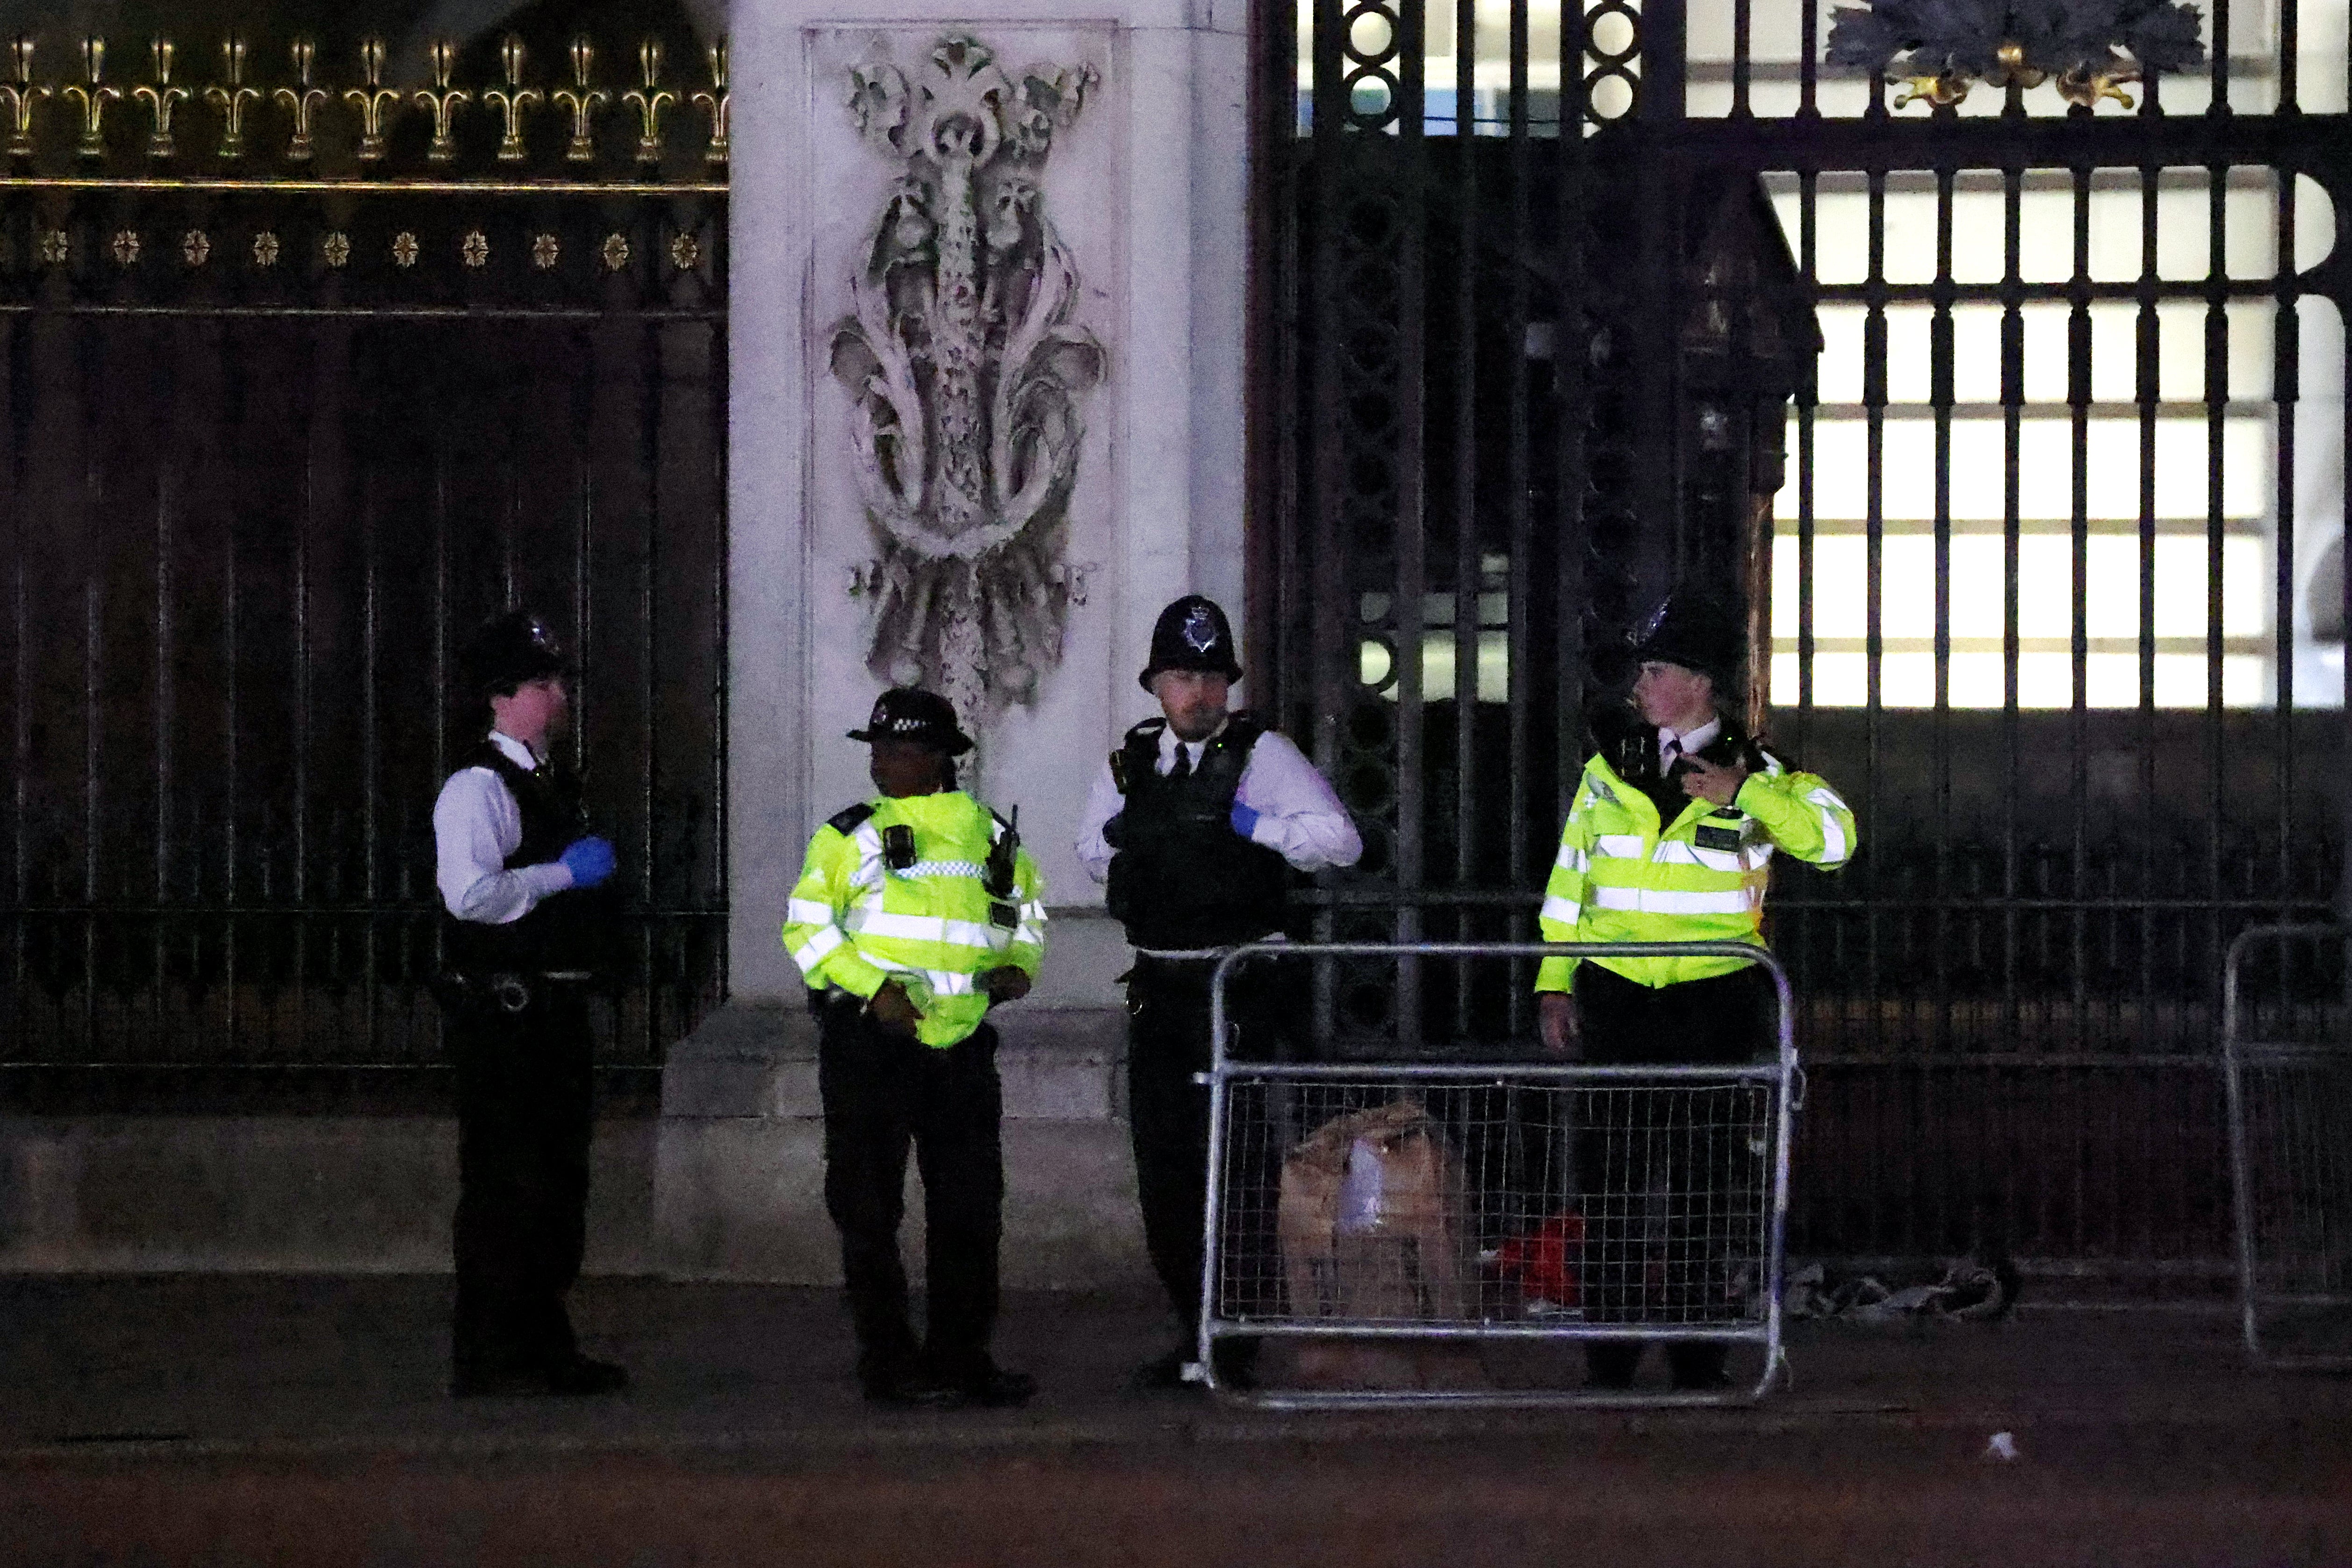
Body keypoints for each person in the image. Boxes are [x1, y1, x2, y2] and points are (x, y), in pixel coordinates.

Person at [1533, 593, 1856, 1391]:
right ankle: (1608, 1356)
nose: (1640, 685)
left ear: (1702, 683)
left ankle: (1696, 1356)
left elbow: (1837, 842)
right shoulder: (1610, 768)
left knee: (1701, 1182)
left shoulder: (1765, 773)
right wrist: (1553, 982)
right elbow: (1570, 877)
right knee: (1610, 1179)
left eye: (1657, 669)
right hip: (1616, 997)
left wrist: (1743, 795)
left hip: (1711, 1000)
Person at [1075, 594, 1362, 1390]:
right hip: (1160, 984)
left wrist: (1249, 824)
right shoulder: (1132, 761)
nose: (1198, 694)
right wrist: (1138, 836)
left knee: (1233, 1168)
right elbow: (1089, 851)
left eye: (1210, 678)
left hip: (1234, 985)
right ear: (1157, 686)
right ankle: (1193, 1331)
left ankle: (1232, 1336)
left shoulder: (1262, 754)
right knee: (1164, 1168)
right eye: (1181, 677)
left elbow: (1339, 843)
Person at [782, 688, 1047, 1409]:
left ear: (938, 759)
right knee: (867, 1208)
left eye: (897, 751)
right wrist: (874, 989)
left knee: (969, 1208)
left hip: (959, 1046)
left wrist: (1020, 965)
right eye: (876, 750)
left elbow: (1027, 914)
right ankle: (888, 1361)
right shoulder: (849, 835)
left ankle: (962, 1357)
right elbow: (807, 930)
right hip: (870, 1043)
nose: (881, 764)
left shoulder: (990, 834)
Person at [433, 609, 628, 1398]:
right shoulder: (476, 787)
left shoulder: (547, 782)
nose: (560, 697)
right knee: (507, 1183)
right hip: (505, 1019)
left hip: (549, 1013)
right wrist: (562, 877)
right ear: (500, 696)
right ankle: (491, 1348)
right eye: (545, 684)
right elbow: (471, 895)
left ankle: (538, 1336)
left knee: (553, 1182)